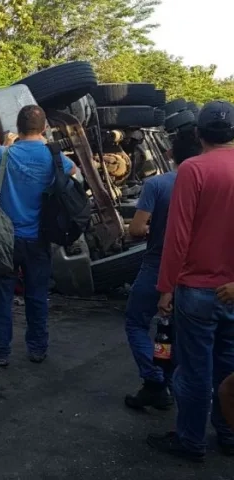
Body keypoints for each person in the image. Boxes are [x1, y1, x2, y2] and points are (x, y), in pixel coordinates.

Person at [147, 101, 234, 462]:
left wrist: (165, 286)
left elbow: (177, 236)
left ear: (198, 134)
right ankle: (229, 432)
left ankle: (191, 441)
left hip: (197, 290)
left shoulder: (194, 170)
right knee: (229, 369)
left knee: (194, 370)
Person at [0, 105, 78, 367]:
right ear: (43, 129)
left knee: (3, 295)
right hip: (39, 238)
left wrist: (7, 142)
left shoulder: (5, 154)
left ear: (18, 128)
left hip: (5, 240)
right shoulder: (52, 156)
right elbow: (72, 170)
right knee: (37, 295)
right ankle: (37, 349)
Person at [123, 128, 202, 410]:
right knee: (175, 331)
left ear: (170, 154)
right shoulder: (210, 182)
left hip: (157, 265)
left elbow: (135, 229)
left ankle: (154, 379)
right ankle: (166, 384)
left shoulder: (157, 185)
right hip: (195, 272)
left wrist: (150, 228)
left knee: (136, 322)